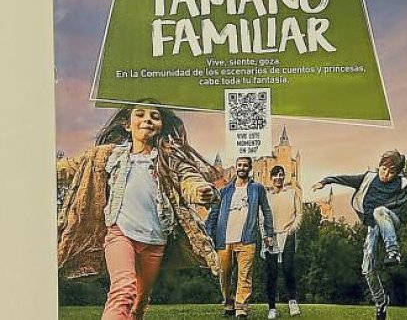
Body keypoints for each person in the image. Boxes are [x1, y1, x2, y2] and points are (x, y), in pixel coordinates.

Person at [56, 103, 219, 320]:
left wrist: (201, 191)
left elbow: (189, 178)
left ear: (161, 126)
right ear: (127, 124)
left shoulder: (168, 158)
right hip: (119, 234)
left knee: (140, 301)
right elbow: (73, 166)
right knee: (123, 290)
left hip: (155, 241)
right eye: (140, 114)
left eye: (155, 116)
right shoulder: (108, 156)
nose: (148, 119)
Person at [313, 150, 407, 320]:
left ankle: (393, 252)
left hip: (391, 220)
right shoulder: (367, 179)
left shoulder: (402, 185)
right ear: (379, 166)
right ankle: (381, 303)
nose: (386, 175)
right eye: (383, 169)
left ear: (397, 173)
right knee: (367, 269)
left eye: (391, 172)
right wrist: (325, 181)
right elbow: (344, 179)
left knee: (380, 211)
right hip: (373, 227)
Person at [207, 156, 274, 318]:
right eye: (239, 165)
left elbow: (266, 211)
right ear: (236, 168)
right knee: (224, 275)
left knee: (245, 275)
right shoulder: (224, 191)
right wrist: (208, 236)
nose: (242, 168)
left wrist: (269, 233)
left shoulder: (257, 188)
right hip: (224, 239)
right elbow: (213, 214)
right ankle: (228, 303)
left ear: (250, 168)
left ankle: (241, 308)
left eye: (245, 165)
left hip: (247, 239)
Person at [262, 165, 303, 318]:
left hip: (288, 234)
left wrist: (293, 229)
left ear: (284, 177)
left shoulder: (292, 193)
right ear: (271, 178)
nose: (278, 178)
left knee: (288, 269)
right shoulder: (266, 196)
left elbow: (299, 214)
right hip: (271, 237)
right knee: (271, 273)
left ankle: (292, 301)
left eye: (281, 175)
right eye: (275, 175)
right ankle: (272, 307)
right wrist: (266, 235)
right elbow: (262, 218)